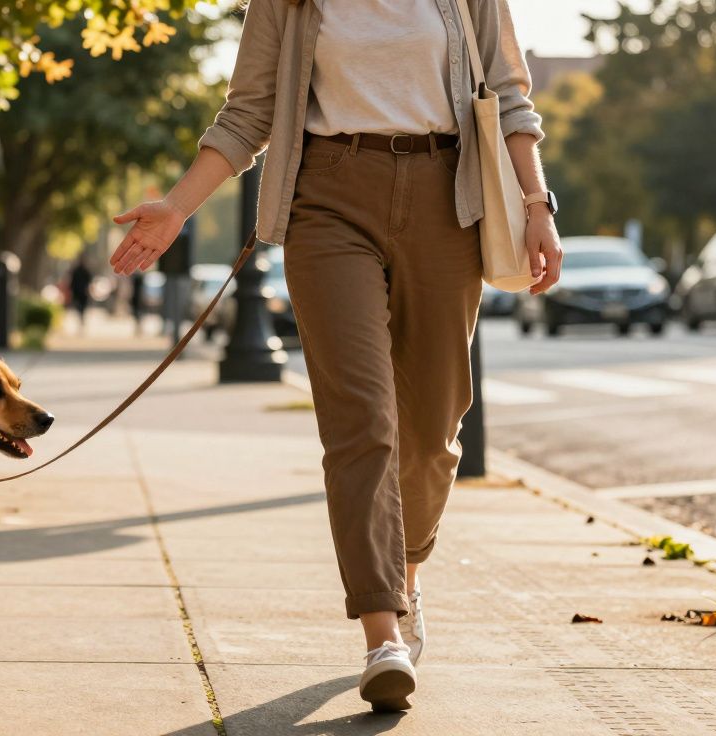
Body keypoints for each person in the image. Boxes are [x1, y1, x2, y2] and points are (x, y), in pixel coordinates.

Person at [109, 0, 562, 712]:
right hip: (329, 201)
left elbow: (509, 95)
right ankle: (381, 632)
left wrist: (537, 203)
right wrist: (177, 206)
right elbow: (247, 113)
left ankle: (407, 583)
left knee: (431, 433)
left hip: (451, 201)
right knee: (361, 420)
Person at [68, 256, 94, 335]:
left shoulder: (82, 271)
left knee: (81, 308)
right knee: (80, 308)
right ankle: (81, 319)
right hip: (80, 293)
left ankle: (81, 319)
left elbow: (89, 282)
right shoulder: (80, 271)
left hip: (80, 293)